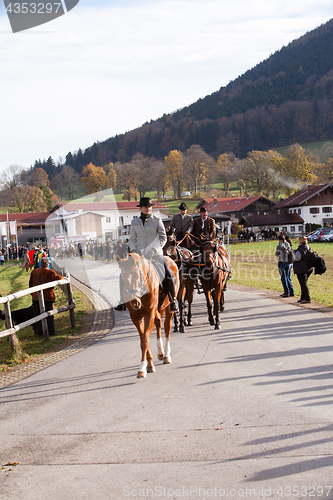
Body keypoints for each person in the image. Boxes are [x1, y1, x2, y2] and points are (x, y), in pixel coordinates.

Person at [115, 197, 178, 312]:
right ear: (141, 208)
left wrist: (153, 250)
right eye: (145, 207)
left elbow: (163, 238)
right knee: (123, 273)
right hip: (138, 254)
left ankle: (173, 300)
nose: (148, 208)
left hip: (155, 253)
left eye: (149, 207)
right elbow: (132, 239)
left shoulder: (157, 220)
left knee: (167, 272)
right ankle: (122, 301)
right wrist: (134, 251)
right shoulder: (134, 222)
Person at [29, 257, 63, 336]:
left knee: (37, 315)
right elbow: (57, 278)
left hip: (36, 297)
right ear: (48, 264)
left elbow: (30, 284)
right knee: (49, 315)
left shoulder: (34, 272)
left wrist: (33, 294)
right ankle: (51, 332)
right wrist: (63, 278)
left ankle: (40, 332)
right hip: (47, 297)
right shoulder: (50, 272)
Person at [293, 235, 313, 304]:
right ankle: (303, 297)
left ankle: (307, 298)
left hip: (301, 269)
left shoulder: (300, 249)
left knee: (303, 284)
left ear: (300, 241)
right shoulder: (308, 248)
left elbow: (297, 258)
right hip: (309, 268)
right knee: (304, 283)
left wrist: (293, 254)